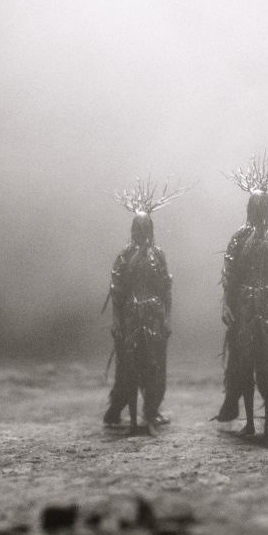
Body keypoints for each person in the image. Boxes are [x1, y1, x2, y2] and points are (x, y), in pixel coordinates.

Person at [214, 154, 268, 437]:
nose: (259, 209)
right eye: (255, 205)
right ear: (249, 207)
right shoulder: (239, 238)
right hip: (245, 310)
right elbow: (229, 276)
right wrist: (226, 305)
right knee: (243, 365)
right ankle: (250, 421)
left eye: (263, 205)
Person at [103, 179, 181, 433]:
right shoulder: (124, 256)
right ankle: (120, 409)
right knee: (128, 366)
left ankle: (151, 410)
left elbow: (166, 290)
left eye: (145, 226)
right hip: (130, 316)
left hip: (154, 317)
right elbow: (116, 292)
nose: (142, 230)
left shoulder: (158, 255)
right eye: (138, 226)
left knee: (155, 365)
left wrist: (167, 318)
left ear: (151, 228)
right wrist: (117, 321)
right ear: (133, 228)